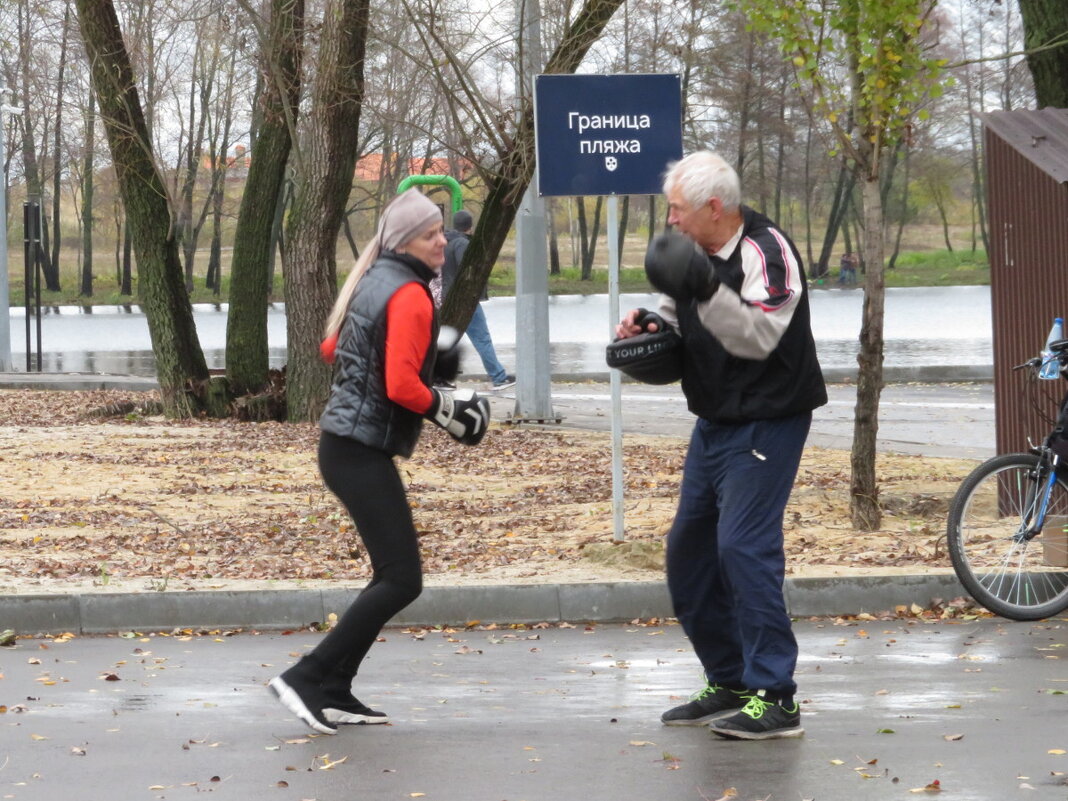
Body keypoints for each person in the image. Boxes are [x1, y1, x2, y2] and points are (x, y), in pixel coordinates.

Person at [616, 151, 827, 740]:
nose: (672, 223)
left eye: (678, 211)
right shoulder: (694, 255)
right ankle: (730, 679)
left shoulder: (769, 252)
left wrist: (705, 286)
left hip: (770, 419)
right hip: (714, 422)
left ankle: (776, 696)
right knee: (689, 554)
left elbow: (758, 336)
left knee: (742, 548)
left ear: (714, 207)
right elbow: (677, 321)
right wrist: (645, 329)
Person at [268, 188, 491, 735]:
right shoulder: (410, 294)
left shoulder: (373, 281)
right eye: (432, 233)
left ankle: (335, 688)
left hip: (346, 446)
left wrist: (420, 356)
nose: (443, 241)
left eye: (442, 231)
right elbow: (399, 386)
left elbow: (332, 351)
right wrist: (447, 404)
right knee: (401, 579)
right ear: (405, 241)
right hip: (357, 451)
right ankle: (308, 675)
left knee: (392, 575)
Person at [441, 210, 515, 391]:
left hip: (447, 297)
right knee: (482, 338)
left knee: (446, 339)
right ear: (470, 226)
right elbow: (467, 270)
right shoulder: (461, 244)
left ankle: (442, 379)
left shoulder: (445, 242)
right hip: (465, 300)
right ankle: (498, 377)